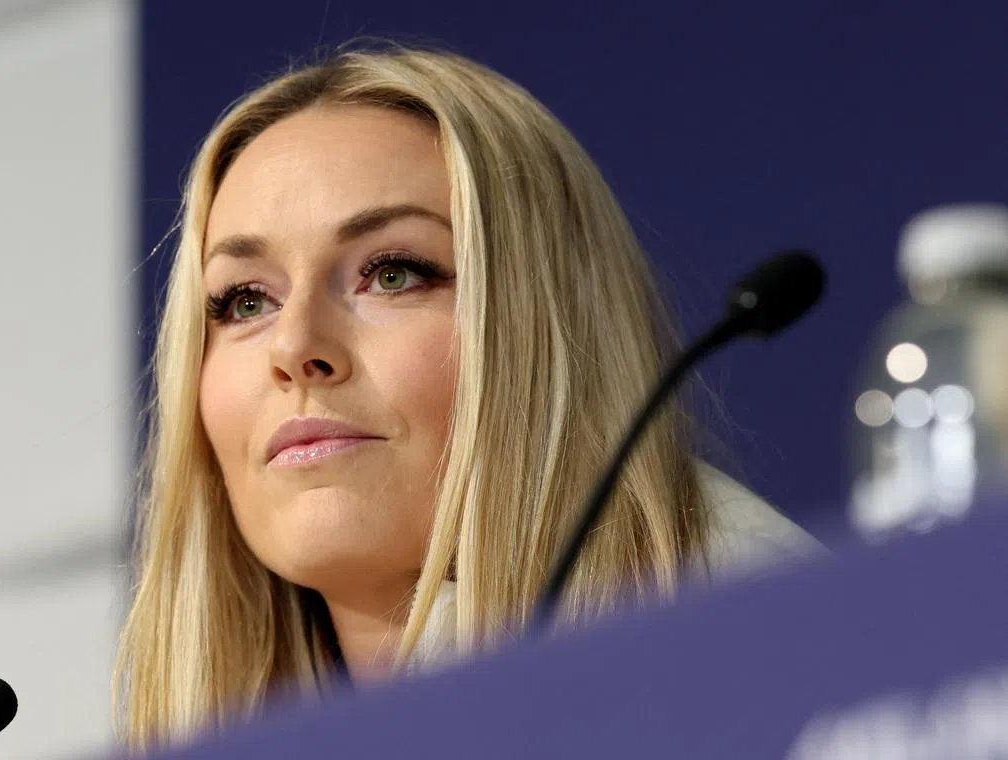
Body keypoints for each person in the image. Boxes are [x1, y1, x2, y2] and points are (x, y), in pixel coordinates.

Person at [113, 43, 821, 749]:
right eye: (243, 301)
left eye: (392, 273)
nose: (294, 348)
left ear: (542, 326)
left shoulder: (782, 658)